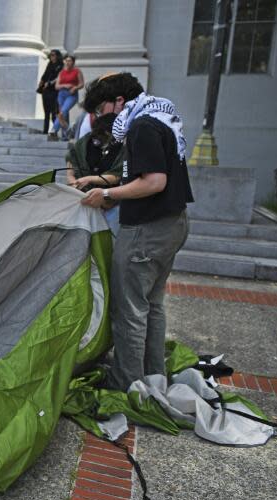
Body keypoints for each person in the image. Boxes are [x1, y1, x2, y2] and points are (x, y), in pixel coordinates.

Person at [80, 72, 193, 391]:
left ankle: (126, 381)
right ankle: (152, 374)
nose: (99, 118)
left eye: (101, 110)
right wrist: (101, 182)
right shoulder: (159, 116)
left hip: (146, 230)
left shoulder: (141, 126)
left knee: (129, 308)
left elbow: (154, 182)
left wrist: (107, 196)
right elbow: (143, 175)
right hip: (170, 224)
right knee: (151, 304)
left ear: (119, 101)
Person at [66, 113, 125, 232]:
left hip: (111, 205)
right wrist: (75, 184)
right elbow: (71, 167)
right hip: (84, 202)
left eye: (104, 135)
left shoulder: (122, 147)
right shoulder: (85, 142)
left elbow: (117, 175)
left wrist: (90, 179)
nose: (98, 138)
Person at [49, 55, 84, 141]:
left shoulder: (77, 71)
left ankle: (54, 129)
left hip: (71, 94)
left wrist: (75, 87)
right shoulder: (61, 72)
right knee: (64, 114)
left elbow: (81, 84)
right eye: (66, 60)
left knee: (63, 111)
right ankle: (65, 136)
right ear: (64, 61)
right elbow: (56, 86)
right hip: (61, 94)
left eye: (70, 61)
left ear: (73, 62)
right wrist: (65, 85)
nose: (68, 62)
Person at [38, 49, 63, 134]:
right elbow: (45, 75)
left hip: (54, 91)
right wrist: (41, 83)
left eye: (53, 55)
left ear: (57, 56)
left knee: (54, 112)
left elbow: (59, 77)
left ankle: (55, 131)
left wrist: (49, 83)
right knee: (46, 112)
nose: (51, 56)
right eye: (51, 55)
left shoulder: (60, 65)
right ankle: (45, 131)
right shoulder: (49, 64)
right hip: (46, 91)